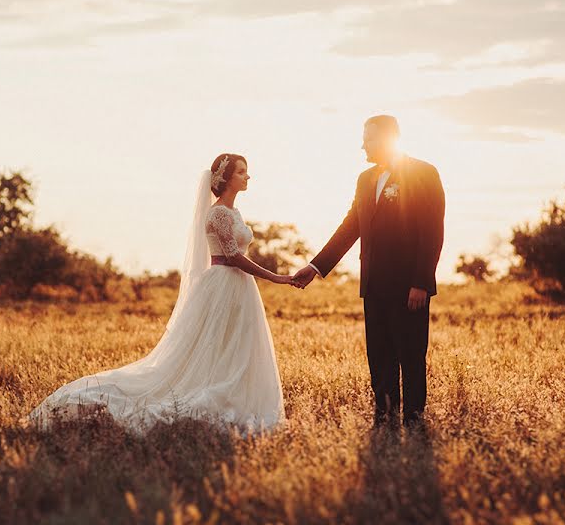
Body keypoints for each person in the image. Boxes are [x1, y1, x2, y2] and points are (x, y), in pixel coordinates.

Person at [28, 153, 295, 436]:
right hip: (222, 284)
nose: (248, 177)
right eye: (242, 172)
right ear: (226, 179)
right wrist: (276, 278)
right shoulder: (216, 213)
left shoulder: (234, 213)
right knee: (212, 347)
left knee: (239, 346)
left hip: (241, 288)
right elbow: (232, 257)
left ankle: (243, 399)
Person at [292, 114, 445, 430]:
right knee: (379, 355)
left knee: (411, 355)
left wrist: (421, 282)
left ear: (389, 138)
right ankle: (384, 417)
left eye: (369, 138)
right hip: (373, 284)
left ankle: (414, 421)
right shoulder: (364, 180)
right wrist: (316, 266)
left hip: (408, 286)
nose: (363, 144)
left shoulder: (424, 173)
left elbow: (432, 231)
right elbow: (351, 227)